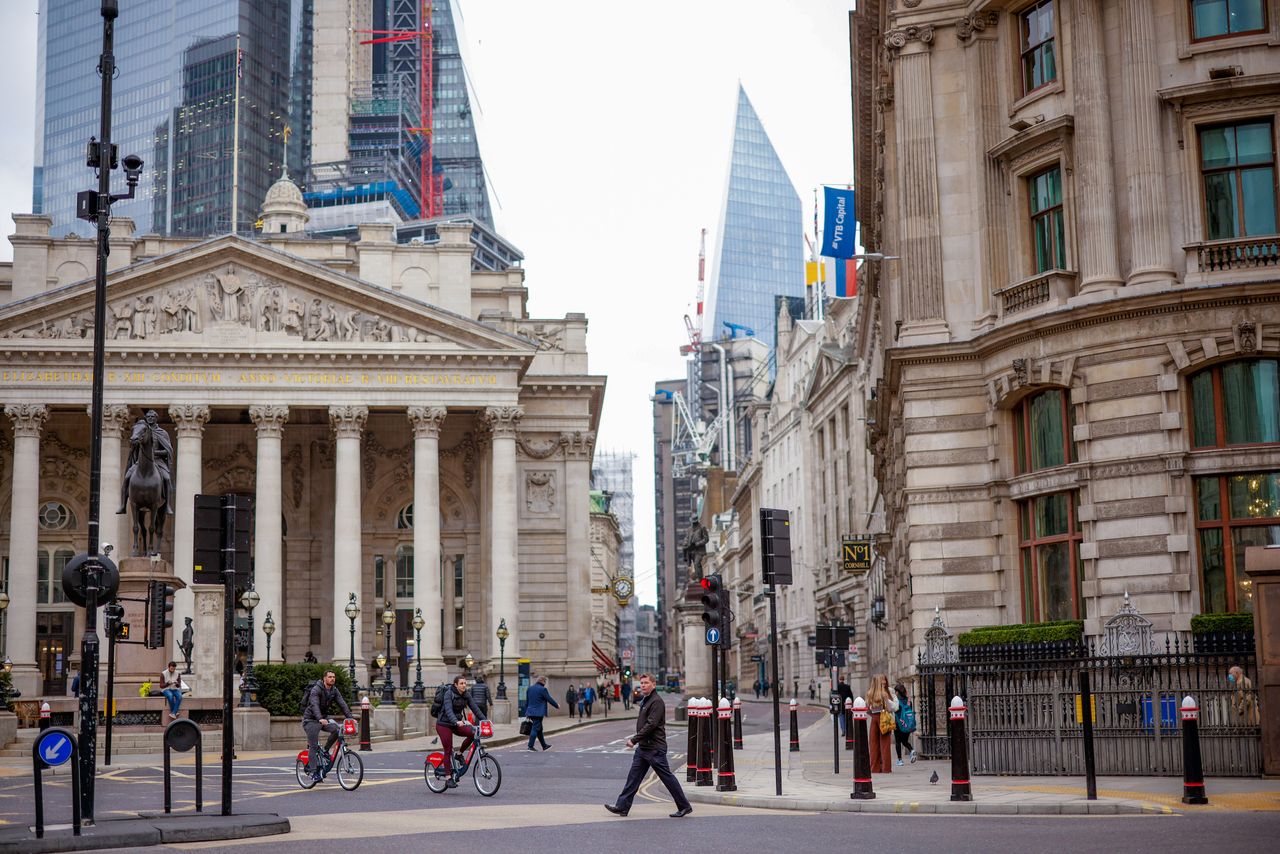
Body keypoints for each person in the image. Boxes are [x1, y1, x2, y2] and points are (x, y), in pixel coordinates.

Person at [604, 673, 693, 819]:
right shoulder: (647, 700)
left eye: (646, 683)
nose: (643, 685)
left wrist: (634, 740)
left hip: (654, 748)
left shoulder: (656, 702)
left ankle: (684, 806)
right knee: (633, 777)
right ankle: (622, 806)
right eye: (642, 683)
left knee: (667, 778)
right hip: (644, 748)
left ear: (653, 684)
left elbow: (651, 725)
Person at [302, 670, 352, 781]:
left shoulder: (334, 690)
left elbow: (342, 703)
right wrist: (319, 718)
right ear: (324, 678)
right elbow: (314, 704)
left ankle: (325, 750)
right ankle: (314, 772)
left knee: (337, 730)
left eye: (334, 677)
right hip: (310, 720)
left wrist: (350, 718)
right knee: (313, 745)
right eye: (330, 677)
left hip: (323, 719)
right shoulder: (316, 689)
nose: (332, 679)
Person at [436, 674, 484, 788]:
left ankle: (459, 754)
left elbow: (475, 708)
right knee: (448, 749)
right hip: (444, 724)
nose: (464, 685)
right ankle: (448, 778)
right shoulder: (449, 693)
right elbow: (448, 709)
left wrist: (485, 720)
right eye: (461, 683)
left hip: (456, 723)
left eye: (465, 683)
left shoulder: (466, 694)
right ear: (456, 685)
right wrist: (455, 721)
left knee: (473, 733)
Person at [866, 673, 898, 774]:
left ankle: (874, 768)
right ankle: (886, 768)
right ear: (879, 682)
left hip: (874, 719)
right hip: (883, 718)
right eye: (883, 680)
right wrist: (891, 700)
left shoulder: (869, 693)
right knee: (885, 745)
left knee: (873, 744)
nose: (884, 682)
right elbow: (892, 708)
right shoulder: (884, 694)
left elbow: (868, 709)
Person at [524, 675, 559, 751]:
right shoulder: (543, 689)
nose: (545, 683)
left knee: (539, 729)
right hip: (538, 713)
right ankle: (530, 746)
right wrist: (557, 705)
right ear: (543, 681)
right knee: (535, 728)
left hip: (530, 711)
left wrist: (526, 712)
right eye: (545, 682)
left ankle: (544, 746)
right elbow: (549, 699)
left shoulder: (530, 688)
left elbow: (527, 701)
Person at [892, 682, 917, 765]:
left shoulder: (897, 702)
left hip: (898, 724)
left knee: (898, 742)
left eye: (895, 691)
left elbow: (895, 711)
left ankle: (900, 760)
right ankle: (911, 750)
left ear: (897, 692)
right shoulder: (908, 701)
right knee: (905, 741)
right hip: (908, 724)